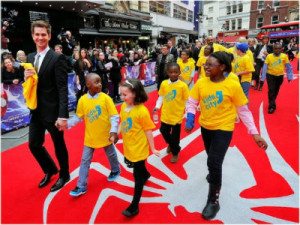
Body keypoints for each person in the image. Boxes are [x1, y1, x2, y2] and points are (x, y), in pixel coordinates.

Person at [185, 51, 268, 220]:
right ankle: (213, 172)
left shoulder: (232, 84)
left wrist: (255, 133)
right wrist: (190, 117)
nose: (205, 67)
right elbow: (192, 102)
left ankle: (213, 201)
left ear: (222, 67)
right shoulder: (201, 83)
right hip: (206, 127)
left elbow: (243, 111)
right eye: (205, 64)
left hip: (224, 127)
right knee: (211, 158)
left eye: (210, 65)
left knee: (214, 162)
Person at [23, 20, 70, 192]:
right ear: (32, 36)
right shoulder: (29, 57)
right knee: (34, 144)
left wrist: (63, 116)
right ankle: (50, 169)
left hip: (53, 111)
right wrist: (26, 78)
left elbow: (63, 88)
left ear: (49, 36)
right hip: (35, 111)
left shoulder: (58, 58)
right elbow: (32, 84)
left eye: (44, 34)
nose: (40, 37)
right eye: (37, 34)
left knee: (59, 145)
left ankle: (65, 174)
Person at [60, 73, 121, 197]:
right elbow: (78, 117)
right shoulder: (82, 100)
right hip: (90, 137)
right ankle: (81, 186)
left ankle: (115, 170)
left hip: (106, 134)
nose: (100, 84)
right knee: (85, 160)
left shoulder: (105, 98)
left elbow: (114, 116)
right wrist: (67, 124)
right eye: (96, 82)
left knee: (111, 154)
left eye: (100, 81)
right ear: (88, 85)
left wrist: (113, 131)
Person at [119, 78, 160, 217]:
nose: (122, 97)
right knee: (140, 170)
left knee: (137, 176)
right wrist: (115, 134)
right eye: (121, 94)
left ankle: (134, 205)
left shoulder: (142, 111)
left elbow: (149, 130)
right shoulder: (124, 106)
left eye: (125, 95)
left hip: (139, 148)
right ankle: (146, 174)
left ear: (135, 94)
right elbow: (123, 122)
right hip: (129, 146)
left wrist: (153, 148)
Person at [154, 62, 189, 163]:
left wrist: (187, 113)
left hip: (177, 115)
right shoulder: (164, 83)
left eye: (176, 72)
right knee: (163, 130)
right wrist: (157, 107)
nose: (173, 74)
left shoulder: (183, 86)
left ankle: (175, 152)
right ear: (167, 73)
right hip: (166, 113)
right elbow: (161, 96)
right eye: (171, 72)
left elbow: (186, 100)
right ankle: (174, 145)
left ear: (179, 72)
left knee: (175, 136)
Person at [260, 43, 294, 114]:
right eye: (275, 48)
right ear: (273, 49)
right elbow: (265, 68)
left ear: (281, 49)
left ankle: (272, 100)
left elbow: (288, 67)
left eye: (279, 48)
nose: (277, 50)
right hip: (270, 75)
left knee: (276, 90)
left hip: (280, 76)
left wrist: (289, 76)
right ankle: (272, 106)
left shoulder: (284, 56)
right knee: (271, 90)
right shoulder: (269, 56)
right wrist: (262, 78)